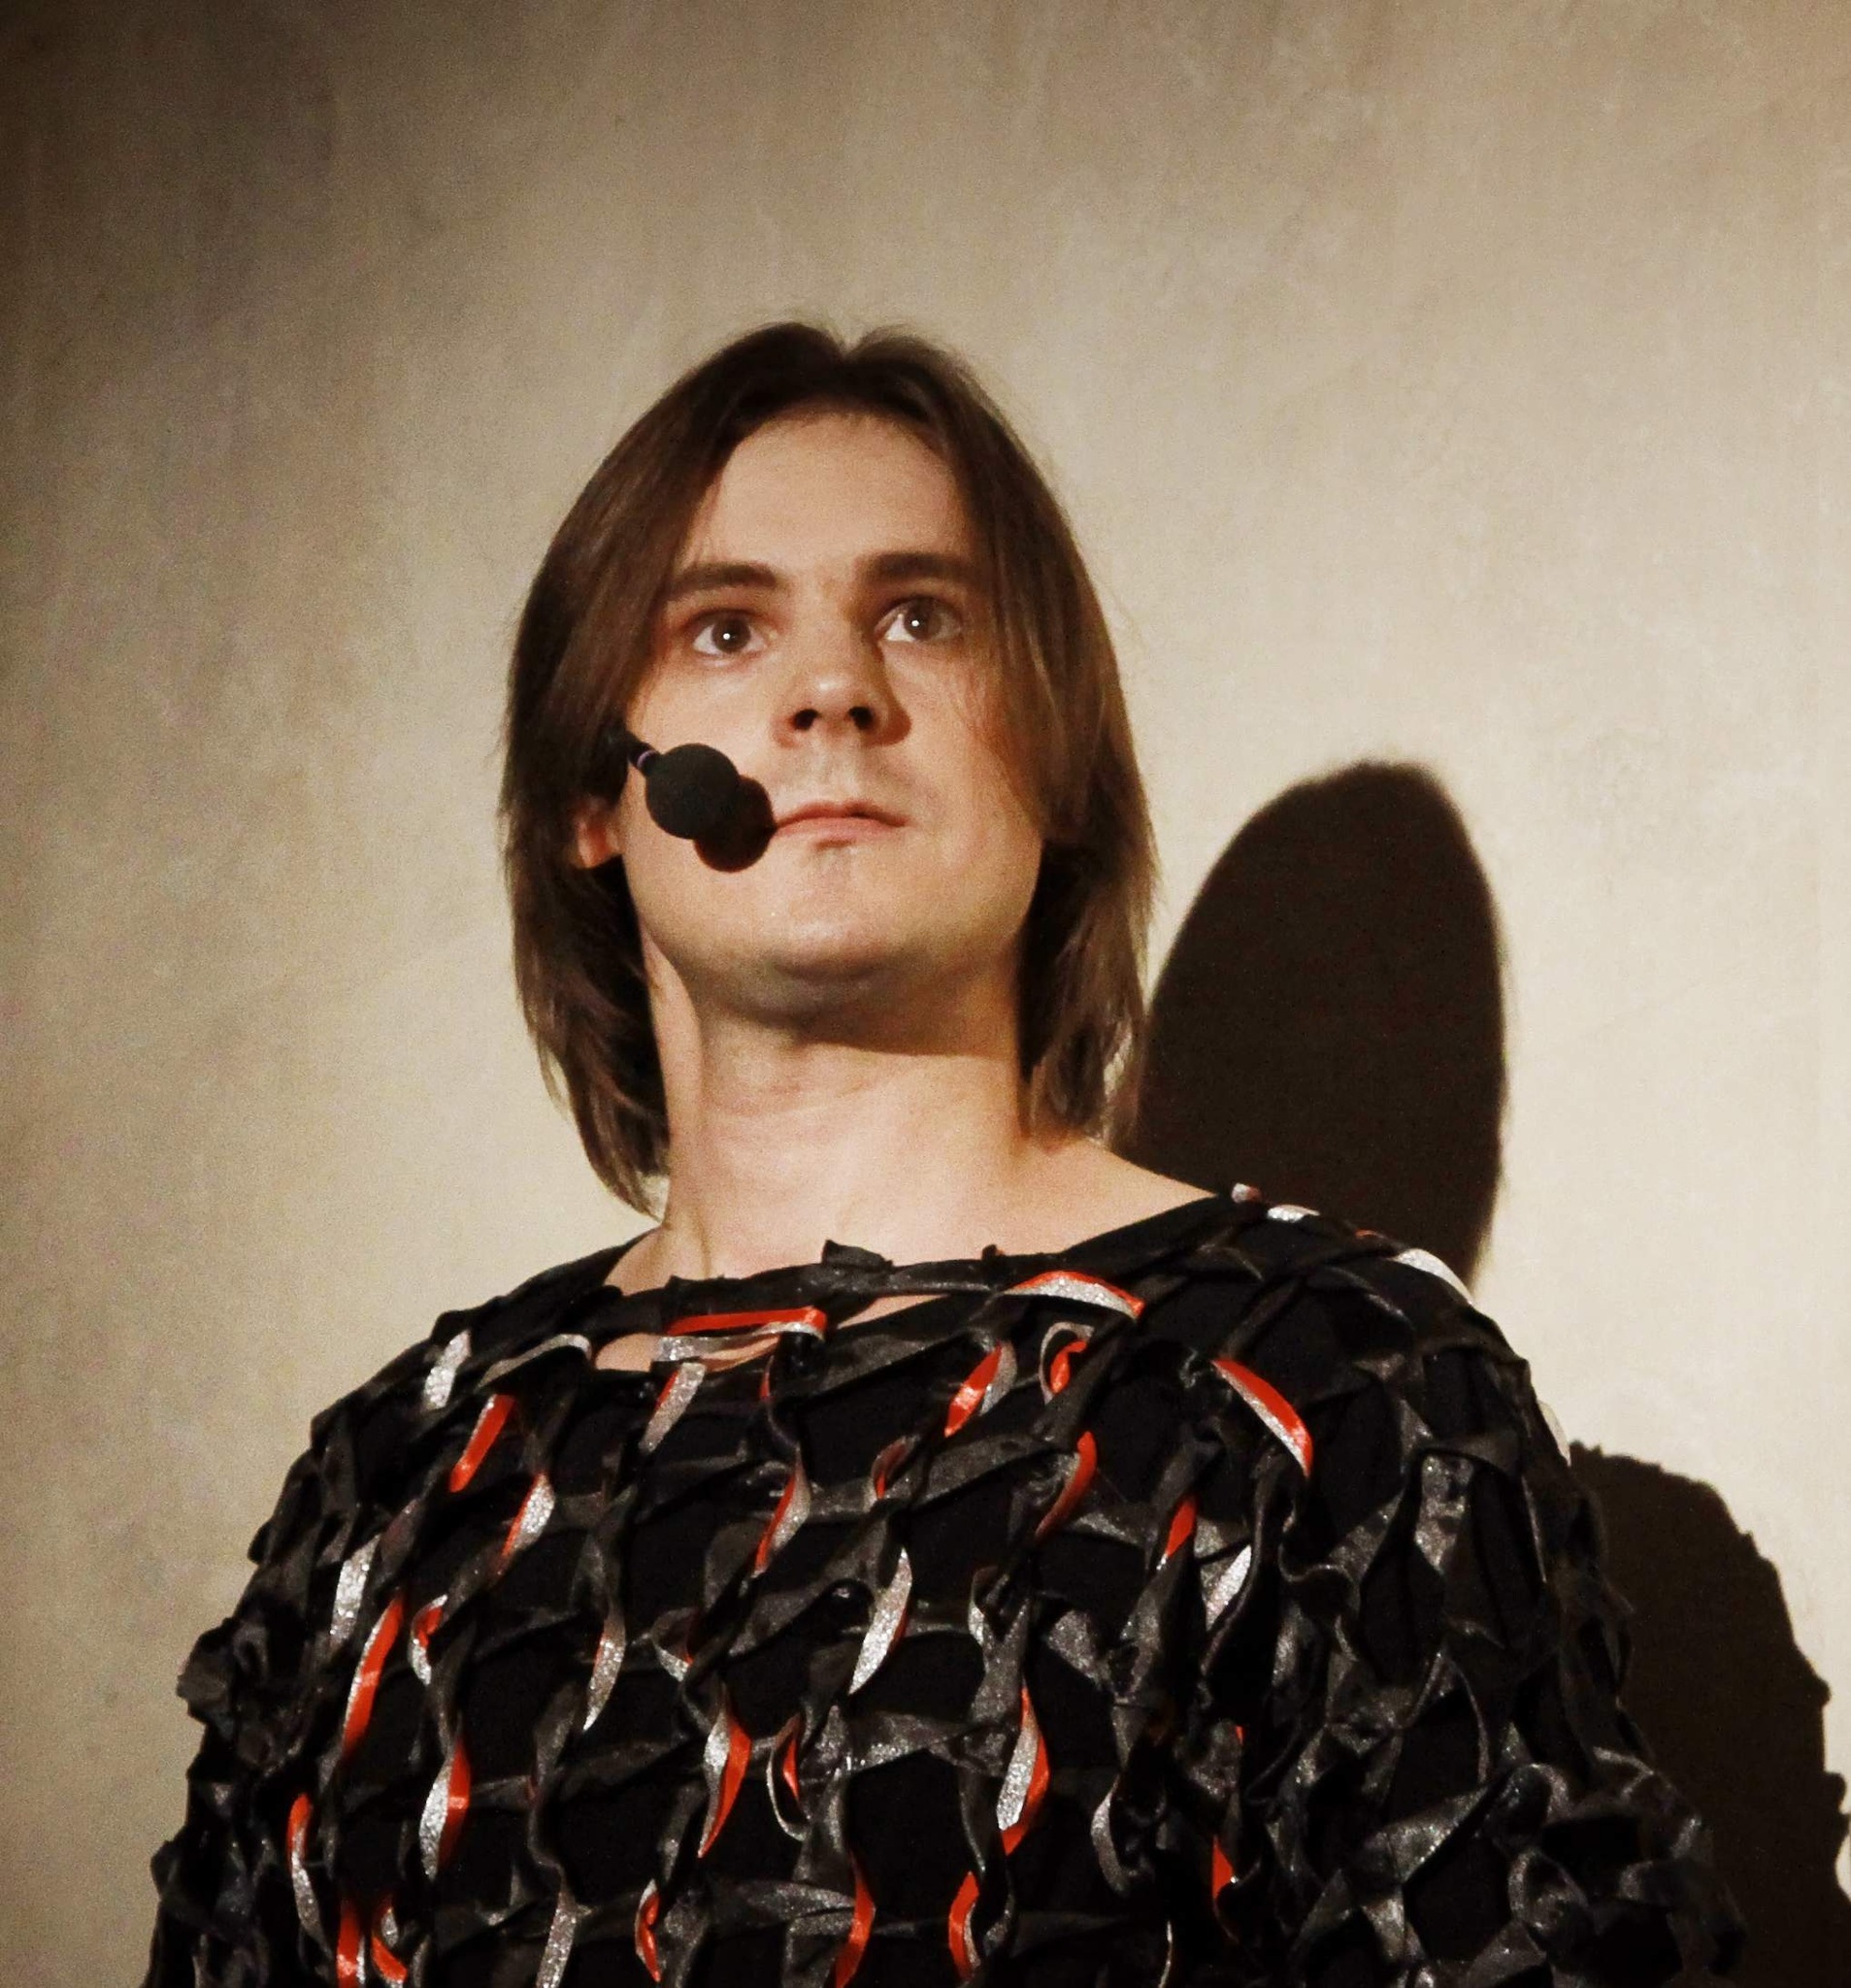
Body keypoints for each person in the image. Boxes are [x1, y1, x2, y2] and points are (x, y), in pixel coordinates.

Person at [145, 324, 1740, 1987]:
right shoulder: (403, 1480)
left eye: (921, 617)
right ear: (592, 800)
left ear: (1054, 762)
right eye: (725, 627)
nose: (835, 689)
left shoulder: (1334, 1400)